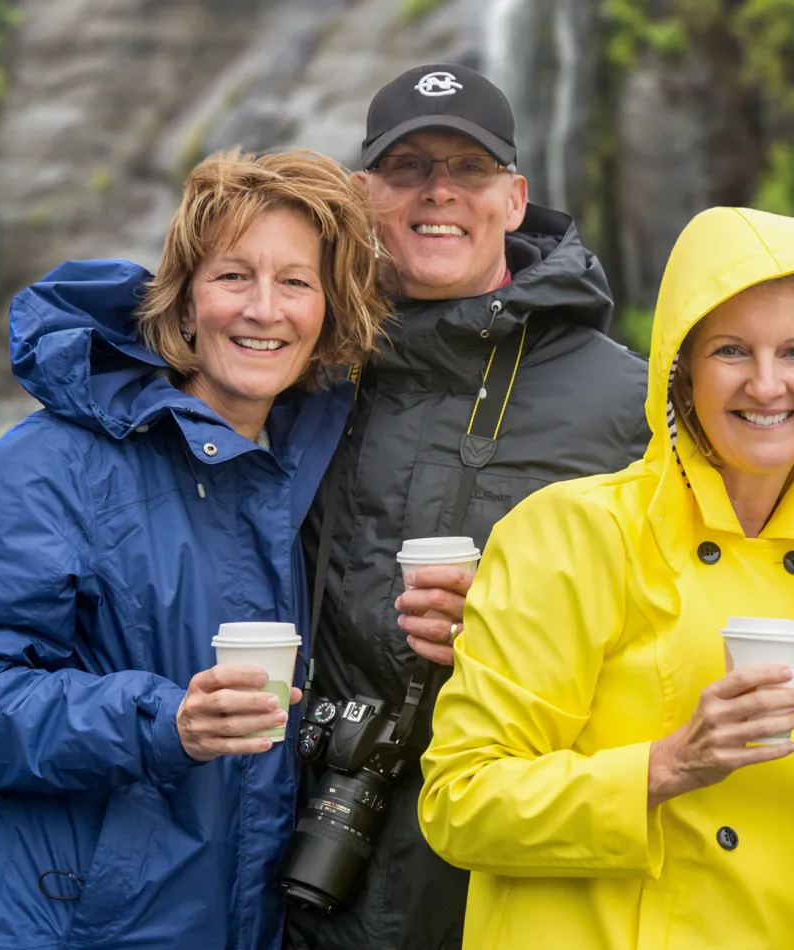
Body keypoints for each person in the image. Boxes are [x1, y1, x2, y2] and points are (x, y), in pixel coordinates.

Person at [420, 206, 794, 949]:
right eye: (731, 351)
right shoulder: (575, 531)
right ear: (681, 369)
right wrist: (668, 765)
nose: (766, 385)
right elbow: (459, 802)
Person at [0, 150, 389, 950]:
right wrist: (164, 722)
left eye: (295, 282)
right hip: (71, 922)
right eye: (233, 277)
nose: (264, 309)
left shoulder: (318, 469)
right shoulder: (51, 462)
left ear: (328, 313)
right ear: (184, 304)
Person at [284, 64, 650, 950]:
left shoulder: (630, 402)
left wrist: (521, 619)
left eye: (468, 169)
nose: (437, 191)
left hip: (509, 869)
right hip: (300, 850)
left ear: (515, 199)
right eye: (407, 168)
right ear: (362, 196)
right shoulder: (299, 367)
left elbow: (681, 618)